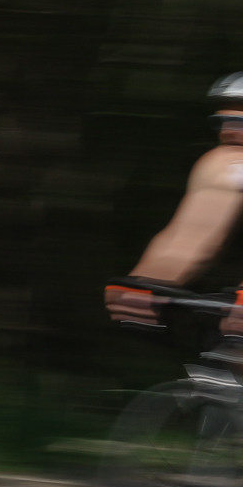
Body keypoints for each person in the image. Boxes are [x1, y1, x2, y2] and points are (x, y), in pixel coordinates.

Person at [104, 76, 243, 333]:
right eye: (222, 121)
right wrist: (146, 284)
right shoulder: (229, 162)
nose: (229, 131)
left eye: (241, 122)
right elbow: (193, 232)